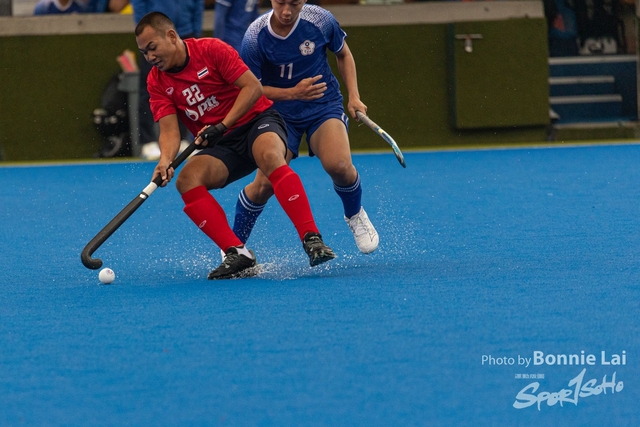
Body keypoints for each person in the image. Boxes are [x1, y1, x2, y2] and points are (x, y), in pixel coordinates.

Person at [134, 11, 336, 279]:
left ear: (171, 36)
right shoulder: (156, 81)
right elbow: (170, 130)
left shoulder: (211, 49)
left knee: (270, 157)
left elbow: (252, 88)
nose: (150, 57)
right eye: (144, 53)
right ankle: (238, 253)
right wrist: (165, 160)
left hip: (256, 122)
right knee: (187, 180)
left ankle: (311, 238)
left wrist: (222, 124)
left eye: (152, 48)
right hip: (222, 145)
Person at [234, 0, 379, 255]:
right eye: (280, 2)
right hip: (278, 115)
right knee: (264, 186)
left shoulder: (321, 20)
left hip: (322, 105)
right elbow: (251, 89)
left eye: (294, 3)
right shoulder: (255, 36)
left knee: (339, 166)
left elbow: (343, 54)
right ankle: (234, 245)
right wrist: (292, 93)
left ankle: (354, 214)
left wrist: (354, 96)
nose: (286, 11)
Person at [131, 0, 205, 158]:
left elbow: (198, 5)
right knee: (147, 90)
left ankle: (184, 138)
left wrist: (195, 32)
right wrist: (147, 35)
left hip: (185, 33)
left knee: (187, 89)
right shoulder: (151, 50)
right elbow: (139, 4)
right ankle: (147, 140)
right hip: (154, 37)